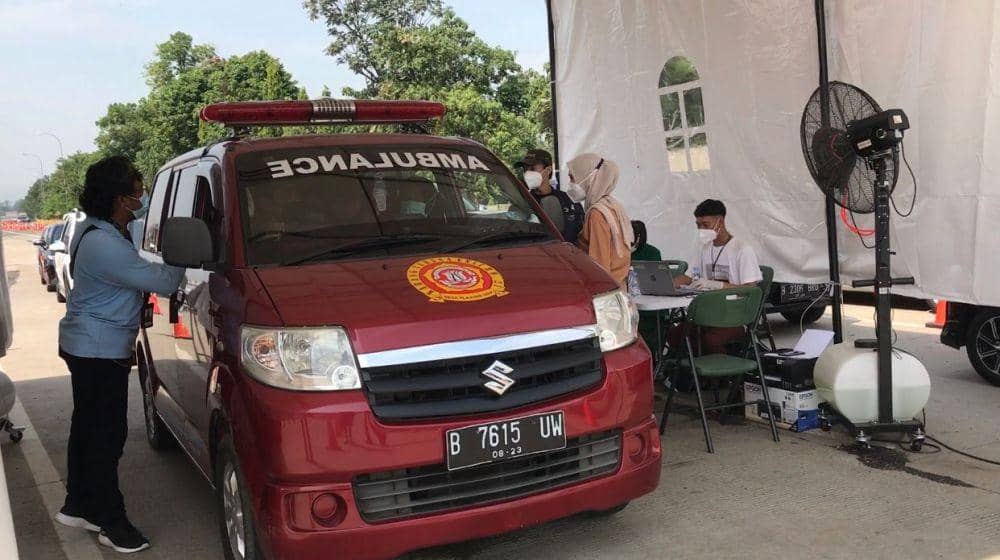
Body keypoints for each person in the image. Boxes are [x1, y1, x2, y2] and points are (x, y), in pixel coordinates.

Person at [56, 156, 185, 554]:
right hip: (96, 350)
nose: (141, 196)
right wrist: (183, 248)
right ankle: (111, 521)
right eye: (136, 190)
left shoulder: (102, 232)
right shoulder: (103, 244)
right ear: (118, 198)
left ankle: (78, 505)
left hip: (88, 346)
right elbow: (164, 280)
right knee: (106, 437)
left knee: (87, 431)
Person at [567, 153, 634, 285]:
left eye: (572, 178)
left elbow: (599, 266)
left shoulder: (597, 214)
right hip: (618, 286)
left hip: (606, 291)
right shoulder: (612, 206)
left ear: (588, 178)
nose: (570, 184)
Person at [674, 199, 762, 290]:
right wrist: (668, 285)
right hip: (708, 300)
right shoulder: (704, 248)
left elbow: (751, 289)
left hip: (733, 302)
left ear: (720, 222)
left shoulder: (742, 249)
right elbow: (689, 277)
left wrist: (719, 285)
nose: (701, 229)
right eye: (698, 225)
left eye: (705, 224)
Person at [519, 149, 585, 243]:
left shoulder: (569, 200)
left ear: (548, 170)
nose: (526, 173)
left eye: (532, 169)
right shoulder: (522, 203)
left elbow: (582, 235)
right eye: (525, 169)